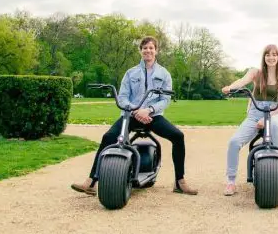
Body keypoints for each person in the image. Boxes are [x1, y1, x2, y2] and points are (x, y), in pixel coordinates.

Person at [71, 36, 198, 196]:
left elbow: (165, 99)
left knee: (178, 136)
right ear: (140, 51)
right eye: (144, 48)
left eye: (151, 48)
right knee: (108, 137)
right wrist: (136, 111)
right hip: (130, 115)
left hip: (153, 116)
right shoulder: (130, 73)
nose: (148, 51)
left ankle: (180, 181)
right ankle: (91, 182)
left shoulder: (164, 74)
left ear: (156, 51)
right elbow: (123, 97)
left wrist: (149, 110)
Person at [221, 44, 278, 196]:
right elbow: (242, 81)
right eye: (267, 55)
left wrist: (268, 118)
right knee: (234, 142)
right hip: (255, 113)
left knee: (273, 127)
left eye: (274, 55)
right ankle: (231, 181)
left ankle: (277, 167)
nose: (271, 57)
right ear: (263, 57)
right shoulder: (255, 73)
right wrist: (231, 87)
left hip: (274, 112)